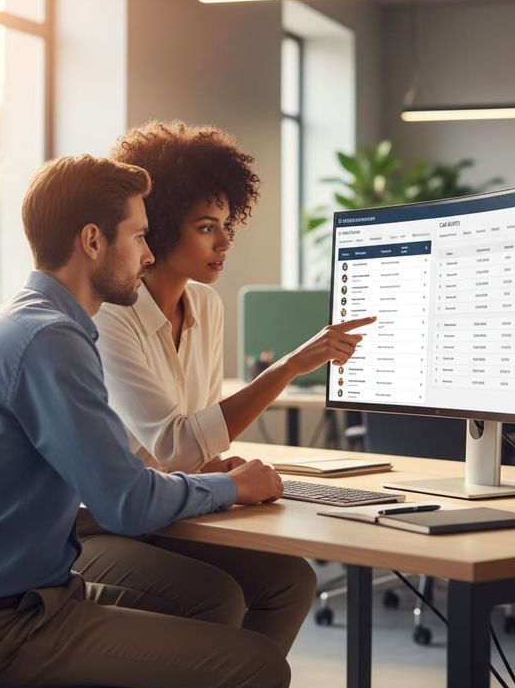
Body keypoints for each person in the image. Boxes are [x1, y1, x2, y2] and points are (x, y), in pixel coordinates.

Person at [0, 154, 294, 688]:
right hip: (5, 628)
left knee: (212, 600)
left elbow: (115, 482)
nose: (148, 254)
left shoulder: (20, 320)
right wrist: (227, 486)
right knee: (259, 671)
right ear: (92, 241)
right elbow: (125, 503)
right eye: (140, 236)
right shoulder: (50, 339)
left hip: (15, 601)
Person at [74, 123, 373, 659]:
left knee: (292, 582)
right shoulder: (113, 317)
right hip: (105, 522)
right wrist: (289, 366)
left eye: (227, 225)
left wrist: (210, 467)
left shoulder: (207, 307)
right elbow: (175, 444)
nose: (225, 243)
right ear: (160, 229)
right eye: (206, 227)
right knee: (213, 596)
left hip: (169, 506)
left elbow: (198, 447)